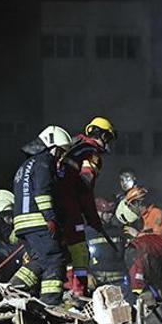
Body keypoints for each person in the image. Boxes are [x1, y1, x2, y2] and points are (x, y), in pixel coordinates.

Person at [9, 126, 73, 305]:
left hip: (23, 224)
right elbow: (42, 192)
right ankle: (50, 304)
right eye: (60, 151)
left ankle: (13, 289)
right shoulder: (44, 161)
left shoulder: (25, 165)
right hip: (38, 221)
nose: (60, 157)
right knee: (54, 258)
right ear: (51, 146)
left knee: (39, 260)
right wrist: (50, 217)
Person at [56, 116, 115, 296]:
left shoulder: (74, 145)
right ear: (102, 135)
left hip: (54, 205)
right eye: (108, 138)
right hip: (70, 206)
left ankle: (62, 289)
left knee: (60, 250)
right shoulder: (91, 153)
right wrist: (93, 219)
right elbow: (84, 189)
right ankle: (78, 292)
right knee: (80, 251)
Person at [85, 197, 126, 287]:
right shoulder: (87, 233)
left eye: (111, 212)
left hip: (119, 281)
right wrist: (87, 274)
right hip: (96, 281)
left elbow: (125, 256)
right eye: (107, 212)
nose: (110, 215)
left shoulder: (118, 232)